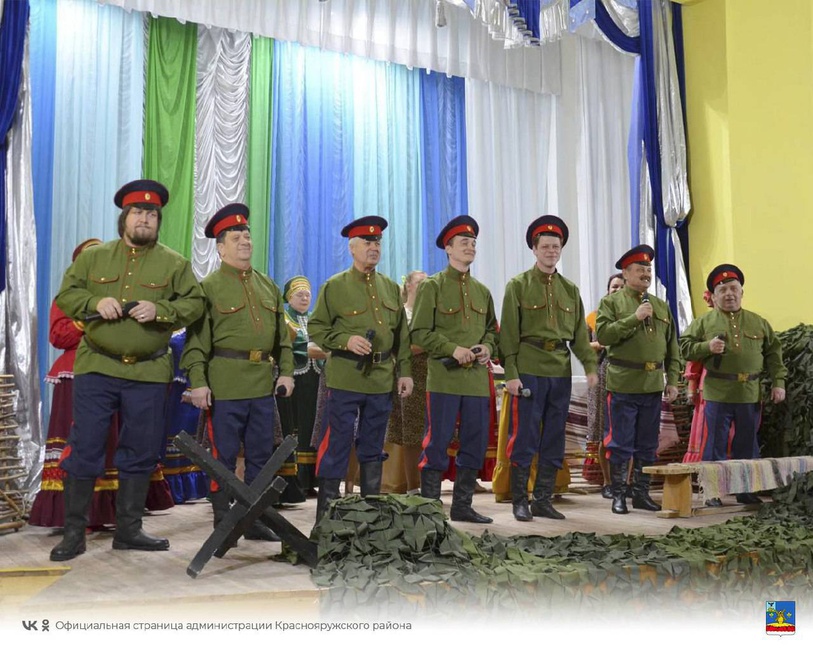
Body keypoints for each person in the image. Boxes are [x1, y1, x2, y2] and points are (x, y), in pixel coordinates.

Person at [51, 180, 204, 561]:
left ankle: (129, 531)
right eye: (138, 212)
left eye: (152, 214)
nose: (144, 219)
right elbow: (66, 295)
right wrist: (94, 301)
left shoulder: (174, 263)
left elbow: (195, 304)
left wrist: (162, 310)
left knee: (140, 449)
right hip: (97, 367)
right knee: (86, 446)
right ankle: (74, 534)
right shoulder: (94, 258)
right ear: (125, 218)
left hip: (148, 373)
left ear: (158, 221)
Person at [182, 203, 294, 541]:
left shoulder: (268, 285)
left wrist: (287, 373)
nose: (245, 240)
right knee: (223, 457)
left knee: (262, 455)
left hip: (262, 384)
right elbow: (196, 343)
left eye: (247, 235)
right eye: (236, 237)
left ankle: (252, 520)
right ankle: (223, 519)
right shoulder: (208, 287)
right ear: (220, 248)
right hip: (225, 385)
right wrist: (198, 383)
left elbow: (283, 340)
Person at [308, 216, 413, 524]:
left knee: (373, 447)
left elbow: (402, 337)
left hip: (381, 380)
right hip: (346, 378)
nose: (374, 247)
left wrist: (405, 372)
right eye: (367, 242)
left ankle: (371, 516)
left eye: (377, 242)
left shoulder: (390, 287)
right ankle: (327, 518)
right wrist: (345, 340)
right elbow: (317, 327)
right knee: (338, 445)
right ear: (352, 248)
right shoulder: (335, 286)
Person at [500, 215, 598, 521]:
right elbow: (508, 335)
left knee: (554, 437)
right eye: (545, 246)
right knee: (525, 436)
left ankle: (542, 499)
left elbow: (579, 336)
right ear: (534, 249)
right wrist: (511, 374)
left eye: (556, 247)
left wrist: (590, 366)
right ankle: (520, 500)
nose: (551, 251)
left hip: (560, 371)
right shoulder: (518, 285)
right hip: (529, 368)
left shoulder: (570, 290)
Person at [411, 216, 499, 523]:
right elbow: (419, 333)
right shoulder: (432, 287)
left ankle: (462, 506)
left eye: (473, 243)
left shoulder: (482, 291)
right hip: (444, 379)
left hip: (476, 381)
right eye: (464, 242)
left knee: (475, 443)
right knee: (437, 442)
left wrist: (487, 347)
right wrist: (452, 349)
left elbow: (491, 331)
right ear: (448, 249)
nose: (470, 247)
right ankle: (430, 508)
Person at [679, 264, 786, 506]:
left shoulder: (758, 322)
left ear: (741, 292)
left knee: (747, 445)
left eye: (734, 289)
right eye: (723, 290)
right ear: (714, 296)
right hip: (717, 392)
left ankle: (745, 491)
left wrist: (778, 383)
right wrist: (706, 347)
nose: (729, 294)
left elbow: (774, 354)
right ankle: (712, 492)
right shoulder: (704, 322)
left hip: (749, 393)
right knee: (714, 445)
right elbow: (684, 347)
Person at [596, 244, 681, 515]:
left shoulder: (661, 306)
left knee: (647, 443)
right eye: (639, 269)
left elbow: (673, 348)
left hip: (652, 384)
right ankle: (619, 495)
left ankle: (641, 494)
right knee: (620, 442)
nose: (646, 273)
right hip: (623, 383)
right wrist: (635, 318)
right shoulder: (611, 303)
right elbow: (604, 336)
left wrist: (673, 380)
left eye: (648, 269)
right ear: (625, 272)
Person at [278, 275, 325, 499]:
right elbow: (291, 346)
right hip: (294, 380)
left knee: (311, 428)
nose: (305, 298)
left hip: (314, 380)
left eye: (307, 294)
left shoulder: (314, 319)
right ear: (289, 298)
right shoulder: (285, 320)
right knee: (296, 427)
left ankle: (309, 480)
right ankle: (294, 480)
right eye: (300, 295)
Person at [382, 270, 427, 496]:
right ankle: (412, 486)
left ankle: (431, 485)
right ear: (408, 286)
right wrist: (431, 344)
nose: (425, 286)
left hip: (433, 374)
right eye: (420, 282)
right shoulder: (403, 313)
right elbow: (397, 346)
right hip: (408, 374)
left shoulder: (431, 313)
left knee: (434, 430)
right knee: (411, 432)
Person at [585, 273, 625, 499]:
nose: (617, 290)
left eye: (621, 287)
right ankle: (608, 481)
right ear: (607, 290)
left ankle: (626, 482)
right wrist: (600, 343)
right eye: (614, 287)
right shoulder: (594, 317)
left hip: (626, 375)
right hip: (601, 375)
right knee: (604, 432)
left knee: (626, 433)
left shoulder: (632, 316)